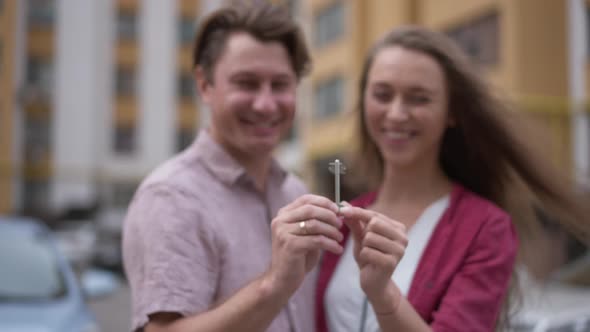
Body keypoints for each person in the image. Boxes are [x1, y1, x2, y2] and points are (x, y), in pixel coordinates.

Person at [315, 26, 590, 332]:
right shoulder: (339, 222)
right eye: (382, 94)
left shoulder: (485, 228)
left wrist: (384, 295)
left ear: (452, 112)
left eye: (419, 99)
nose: (396, 113)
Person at [122, 2, 346, 331]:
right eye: (247, 83)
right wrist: (273, 285)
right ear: (204, 84)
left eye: (280, 85)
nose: (266, 104)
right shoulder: (172, 197)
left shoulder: (293, 191)